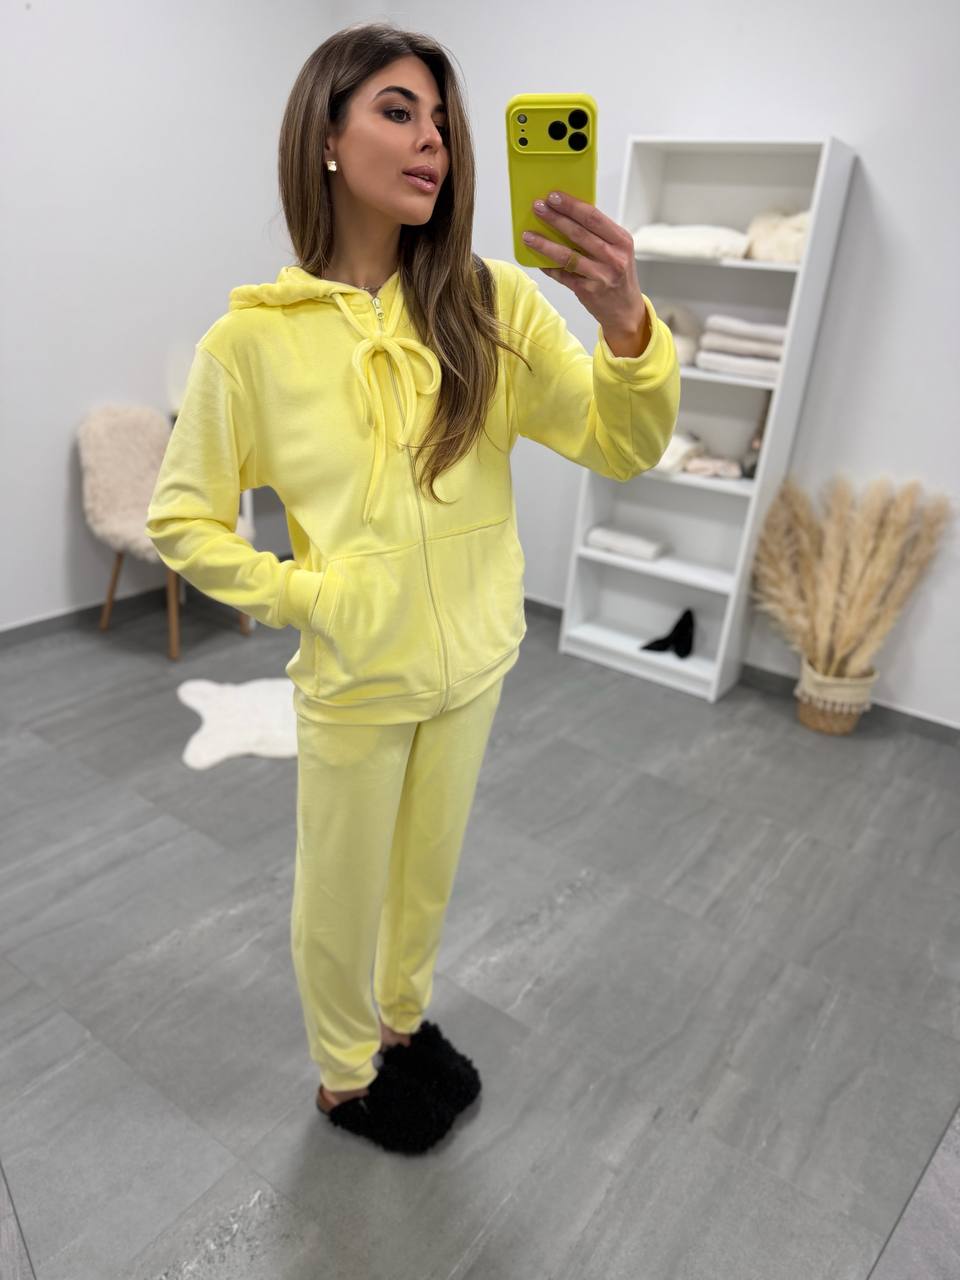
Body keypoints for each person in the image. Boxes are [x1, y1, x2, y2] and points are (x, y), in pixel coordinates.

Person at [145, 20, 680, 1156]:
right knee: (341, 890)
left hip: (475, 656)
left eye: (441, 119)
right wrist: (312, 596)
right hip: (356, 670)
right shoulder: (249, 344)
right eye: (398, 111)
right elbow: (179, 518)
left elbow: (620, 443)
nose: (433, 139)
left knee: (424, 876)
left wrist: (627, 325)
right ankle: (345, 1077)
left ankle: (401, 1022)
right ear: (326, 138)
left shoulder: (492, 303)